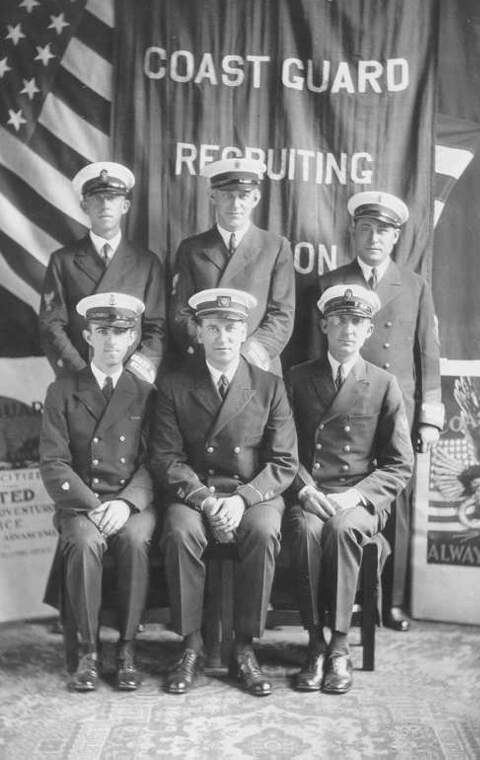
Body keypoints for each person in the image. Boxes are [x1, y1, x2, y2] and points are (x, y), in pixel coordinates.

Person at [151, 287, 298, 696]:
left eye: (231, 327)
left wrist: (243, 499)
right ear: (197, 332)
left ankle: (244, 646)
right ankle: (191, 645)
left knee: (265, 531)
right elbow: (165, 459)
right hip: (195, 493)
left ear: (245, 330)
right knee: (180, 532)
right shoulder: (174, 385)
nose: (223, 337)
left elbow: (284, 461)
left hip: (251, 493)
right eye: (212, 327)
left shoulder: (269, 386)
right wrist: (205, 499)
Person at [317, 191, 444, 631]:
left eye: (384, 231)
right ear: (353, 232)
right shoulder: (329, 282)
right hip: (341, 412)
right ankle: (332, 599)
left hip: (397, 410)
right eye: (366, 229)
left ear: (396, 238)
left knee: (395, 507)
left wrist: (428, 417)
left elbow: (427, 352)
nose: (374, 238)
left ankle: (389, 601)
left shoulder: (414, 285)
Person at [285, 284, 414, 694]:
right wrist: (305, 490)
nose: (348, 329)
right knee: (305, 531)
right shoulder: (298, 379)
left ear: (369, 329)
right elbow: (282, 452)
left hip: (360, 495)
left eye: (357, 321)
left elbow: (399, 463)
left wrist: (355, 496)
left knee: (343, 529)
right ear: (324, 325)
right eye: (339, 320)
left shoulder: (382, 383)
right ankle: (315, 643)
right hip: (310, 491)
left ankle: (339, 646)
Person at [39, 293, 156, 692]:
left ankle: (126, 648)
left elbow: (154, 461)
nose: (111, 341)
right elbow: (54, 462)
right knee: (86, 543)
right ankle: (89, 651)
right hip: (81, 504)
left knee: (137, 539)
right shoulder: (62, 391)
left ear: (132, 338)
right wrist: (93, 505)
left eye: (121, 332)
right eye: (103, 331)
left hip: (130, 503)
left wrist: (126, 503)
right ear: (88, 336)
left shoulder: (144, 392)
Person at [39, 161, 166, 385]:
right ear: (84, 206)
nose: (105, 205)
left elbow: (157, 327)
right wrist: (81, 373)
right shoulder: (63, 261)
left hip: (131, 383)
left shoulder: (147, 263)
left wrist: (134, 374)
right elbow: (52, 325)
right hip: (80, 378)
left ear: (125, 206)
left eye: (112, 198)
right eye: (97, 198)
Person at [168, 158, 295, 375]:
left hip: (257, 367)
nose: (235, 205)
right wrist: (213, 353)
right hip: (205, 364)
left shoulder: (275, 247)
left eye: (243, 196)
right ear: (212, 196)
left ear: (255, 198)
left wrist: (247, 355)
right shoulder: (191, 248)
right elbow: (181, 312)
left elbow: (282, 315)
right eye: (227, 195)